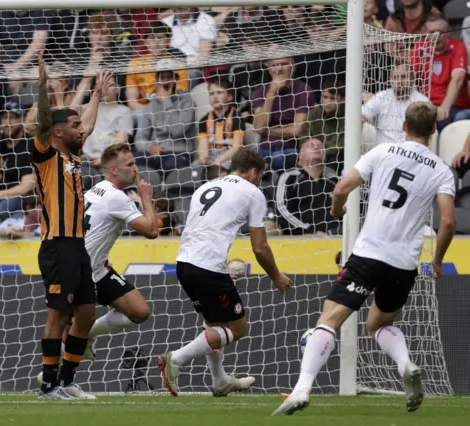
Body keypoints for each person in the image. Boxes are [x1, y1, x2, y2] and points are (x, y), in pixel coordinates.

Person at [273, 101, 456, 415]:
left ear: (403, 126)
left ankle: (302, 388)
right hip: (403, 263)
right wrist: (437, 260)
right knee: (378, 322)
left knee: (329, 318)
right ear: (433, 130)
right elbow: (449, 221)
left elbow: (342, 187)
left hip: (369, 253)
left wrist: (335, 211)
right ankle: (405, 363)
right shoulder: (441, 169)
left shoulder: (382, 152)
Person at [158, 147, 292, 397]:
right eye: (260, 176)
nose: (259, 181)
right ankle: (175, 359)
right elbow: (260, 248)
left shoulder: (206, 187)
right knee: (238, 328)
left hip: (184, 264)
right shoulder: (253, 192)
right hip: (208, 268)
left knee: (214, 324)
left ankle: (219, 381)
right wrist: (276, 276)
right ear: (253, 172)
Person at [32, 51, 113, 400]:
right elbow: (43, 122)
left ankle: (67, 380)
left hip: (77, 245)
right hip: (57, 245)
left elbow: (90, 125)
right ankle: (48, 385)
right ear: (60, 130)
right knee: (58, 316)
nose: (84, 129)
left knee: (86, 313)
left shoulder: (73, 154)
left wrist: (96, 96)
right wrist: (42, 86)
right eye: (76, 126)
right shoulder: (47, 153)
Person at [81, 143, 158, 359]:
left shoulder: (93, 191)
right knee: (70, 333)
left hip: (98, 268)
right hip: (81, 275)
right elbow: (152, 231)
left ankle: (89, 334)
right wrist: (145, 197)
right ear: (114, 169)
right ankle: (52, 377)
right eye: (130, 164)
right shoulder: (116, 197)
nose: (136, 168)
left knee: (139, 311)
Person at [275, 138, 340, 236]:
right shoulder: (289, 178)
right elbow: (281, 209)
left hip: (335, 235)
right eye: (311, 145)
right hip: (301, 236)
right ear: (300, 156)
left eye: (321, 146)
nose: (316, 147)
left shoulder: (335, 181)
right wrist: (310, 230)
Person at [362, 63, 429, 146]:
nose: (399, 81)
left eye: (403, 77)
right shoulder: (382, 96)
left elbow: (427, 134)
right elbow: (362, 115)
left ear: (412, 79)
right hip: (384, 151)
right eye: (395, 77)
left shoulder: (422, 101)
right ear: (390, 80)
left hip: (410, 152)